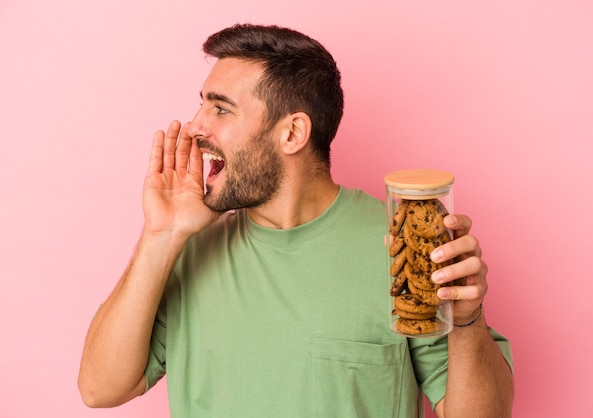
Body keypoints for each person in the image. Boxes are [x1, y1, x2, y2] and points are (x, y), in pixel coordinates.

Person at [78, 23, 514, 417]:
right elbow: (101, 389)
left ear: (292, 133)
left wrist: (467, 318)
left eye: (221, 109)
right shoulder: (187, 248)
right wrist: (161, 233)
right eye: (201, 105)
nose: (195, 126)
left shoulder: (398, 247)